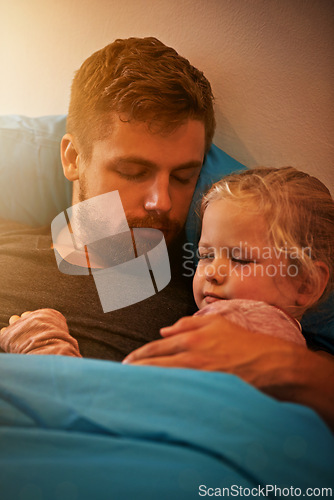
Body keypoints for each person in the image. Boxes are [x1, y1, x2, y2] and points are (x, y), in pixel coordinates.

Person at [0, 37, 333, 431]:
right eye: (133, 172)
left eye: (183, 176)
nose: (161, 200)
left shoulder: (213, 298)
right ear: (73, 158)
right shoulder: (9, 240)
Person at [2, 166, 332, 350]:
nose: (213, 272)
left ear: (305, 283)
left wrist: (54, 358)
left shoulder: (249, 328)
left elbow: (150, 396)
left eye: (242, 260)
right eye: (205, 255)